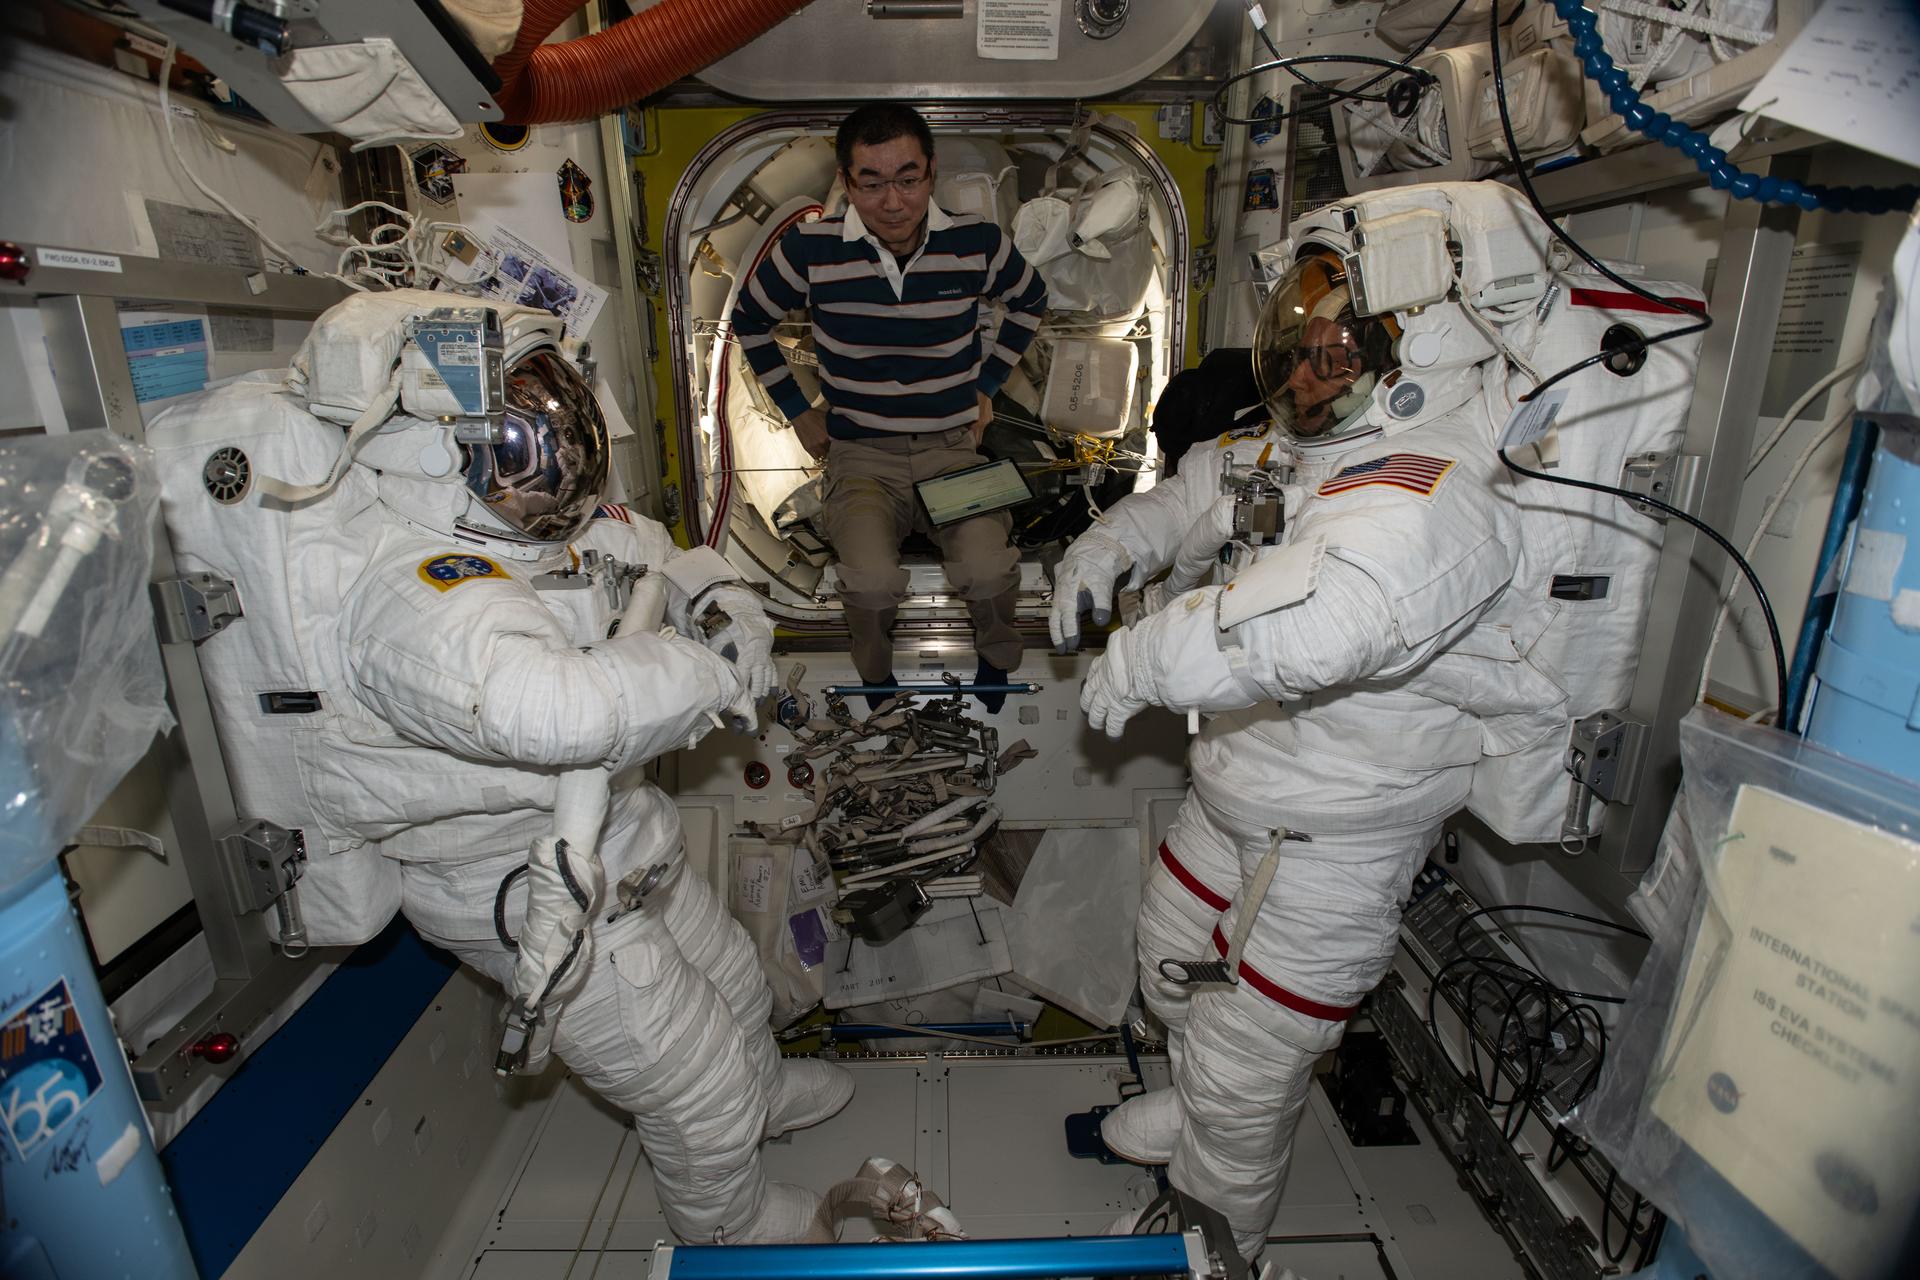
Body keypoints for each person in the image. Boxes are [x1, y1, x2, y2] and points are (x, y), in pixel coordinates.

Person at [151, 291, 854, 1245]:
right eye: (525, 454)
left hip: (623, 846)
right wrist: (705, 671)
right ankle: (725, 1228)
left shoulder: (539, 527)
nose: (552, 476)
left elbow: (656, 553)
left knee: (736, 988)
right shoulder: (414, 593)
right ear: (442, 449)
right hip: (527, 891)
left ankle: (762, 1097)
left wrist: (727, 605)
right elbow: (554, 710)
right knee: (696, 1083)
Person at [1051, 186, 1592, 1263]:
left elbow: (1323, 623)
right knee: (1166, 967)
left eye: (1337, 359)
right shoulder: (1295, 452)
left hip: (1337, 837)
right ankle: (1190, 1109)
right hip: (1238, 792)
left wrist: (1143, 656)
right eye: (1299, 350)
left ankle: (1220, 1236)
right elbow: (1196, 492)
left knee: (1250, 1065)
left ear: (1409, 370)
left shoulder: (1440, 491)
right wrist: (1105, 551)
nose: (1306, 375)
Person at [730, 103, 1049, 711]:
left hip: (953, 453)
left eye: (907, 178)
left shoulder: (975, 243)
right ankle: (875, 675)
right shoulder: (810, 250)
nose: (892, 201)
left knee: (988, 569)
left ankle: (996, 656)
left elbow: (1031, 299)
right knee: (871, 586)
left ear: (931, 173)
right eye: (871, 182)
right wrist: (799, 409)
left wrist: (986, 387)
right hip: (862, 460)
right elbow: (749, 319)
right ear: (848, 183)